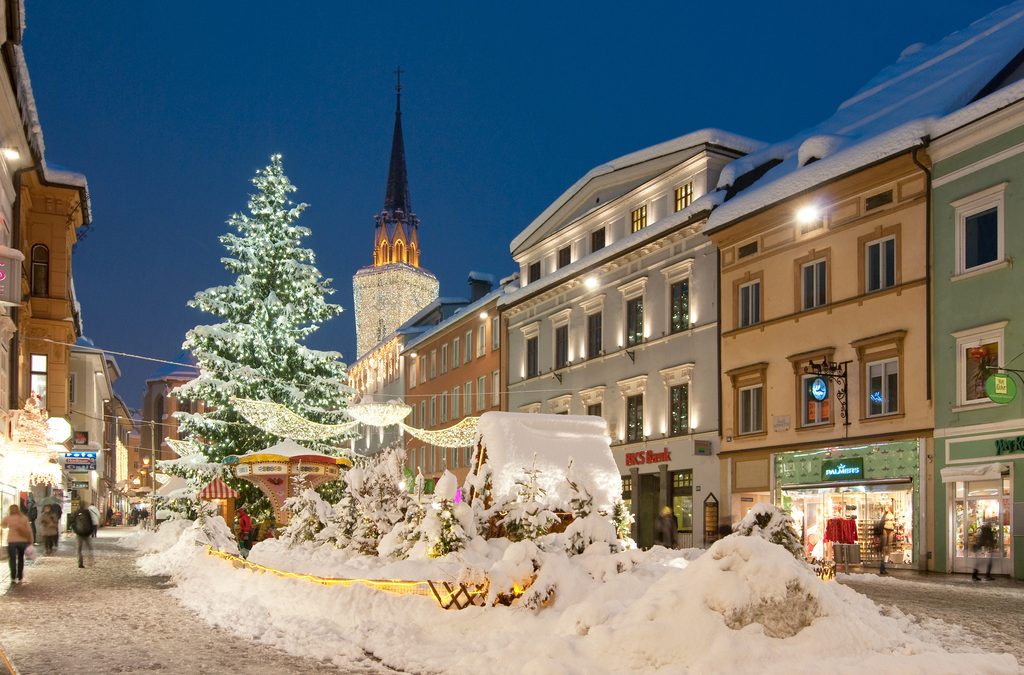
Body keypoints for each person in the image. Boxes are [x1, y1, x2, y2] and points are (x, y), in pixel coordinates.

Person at [2, 504, 33, 583]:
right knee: (21, 558)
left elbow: (3, 526)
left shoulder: (8, 518)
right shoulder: (24, 518)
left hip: (11, 541)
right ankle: (20, 576)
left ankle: (13, 576)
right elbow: (29, 530)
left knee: (12, 559)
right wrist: (31, 540)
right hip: (23, 541)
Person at [972, 514, 998, 581]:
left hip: (982, 549)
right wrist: (991, 546)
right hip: (984, 550)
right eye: (990, 523)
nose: (991, 524)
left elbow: (983, 541)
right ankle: (986, 575)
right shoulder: (987, 532)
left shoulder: (984, 532)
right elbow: (987, 541)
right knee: (987, 562)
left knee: (980, 562)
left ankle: (975, 575)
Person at [71, 503, 95, 568]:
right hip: (87, 533)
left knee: (79, 549)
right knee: (89, 548)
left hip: (79, 533)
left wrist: (76, 531)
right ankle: (90, 561)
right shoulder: (87, 512)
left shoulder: (76, 512)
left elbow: (72, 522)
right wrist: (91, 532)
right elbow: (91, 522)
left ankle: (80, 563)